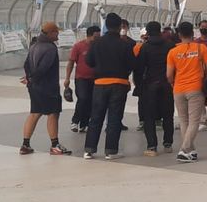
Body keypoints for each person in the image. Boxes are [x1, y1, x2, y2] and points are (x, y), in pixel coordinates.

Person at [83, 12, 135, 159]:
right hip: (119, 84)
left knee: (96, 117)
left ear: (106, 26)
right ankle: (111, 151)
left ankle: (89, 149)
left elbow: (89, 62)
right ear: (120, 27)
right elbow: (132, 64)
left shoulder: (96, 43)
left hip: (99, 84)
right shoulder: (124, 45)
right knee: (114, 117)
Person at [19, 22, 71, 155]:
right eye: (56, 32)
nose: (58, 34)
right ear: (50, 33)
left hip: (34, 87)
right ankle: (55, 145)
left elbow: (26, 64)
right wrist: (32, 78)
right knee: (53, 114)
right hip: (48, 87)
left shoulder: (34, 45)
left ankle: (25, 144)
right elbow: (43, 68)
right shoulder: (50, 48)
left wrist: (29, 79)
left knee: (35, 112)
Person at [167, 21, 207, 162]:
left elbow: (169, 75)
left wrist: (174, 83)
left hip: (178, 89)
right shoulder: (201, 48)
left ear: (179, 34)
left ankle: (191, 150)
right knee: (194, 121)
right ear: (193, 34)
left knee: (183, 120)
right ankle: (184, 149)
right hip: (195, 88)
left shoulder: (173, 52)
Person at [133, 21, 174, 156]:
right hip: (167, 84)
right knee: (168, 115)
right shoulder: (169, 45)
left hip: (150, 84)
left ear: (148, 33)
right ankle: (168, 144)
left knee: (149, 116)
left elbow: (139, 68)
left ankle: (152, 146)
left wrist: (139, 85)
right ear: (160, 30)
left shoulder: (145, 48)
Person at [63, 26, 99, 133]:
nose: (99, 38)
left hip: (95, 79)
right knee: (83, 99)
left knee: (91, 101)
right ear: (90, 35)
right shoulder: (78, 46)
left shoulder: (97, 47)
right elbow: (71, 62)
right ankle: (75, 120)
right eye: (97, 36)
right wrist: (67, 78)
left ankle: (85, 123)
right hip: (81, 79)